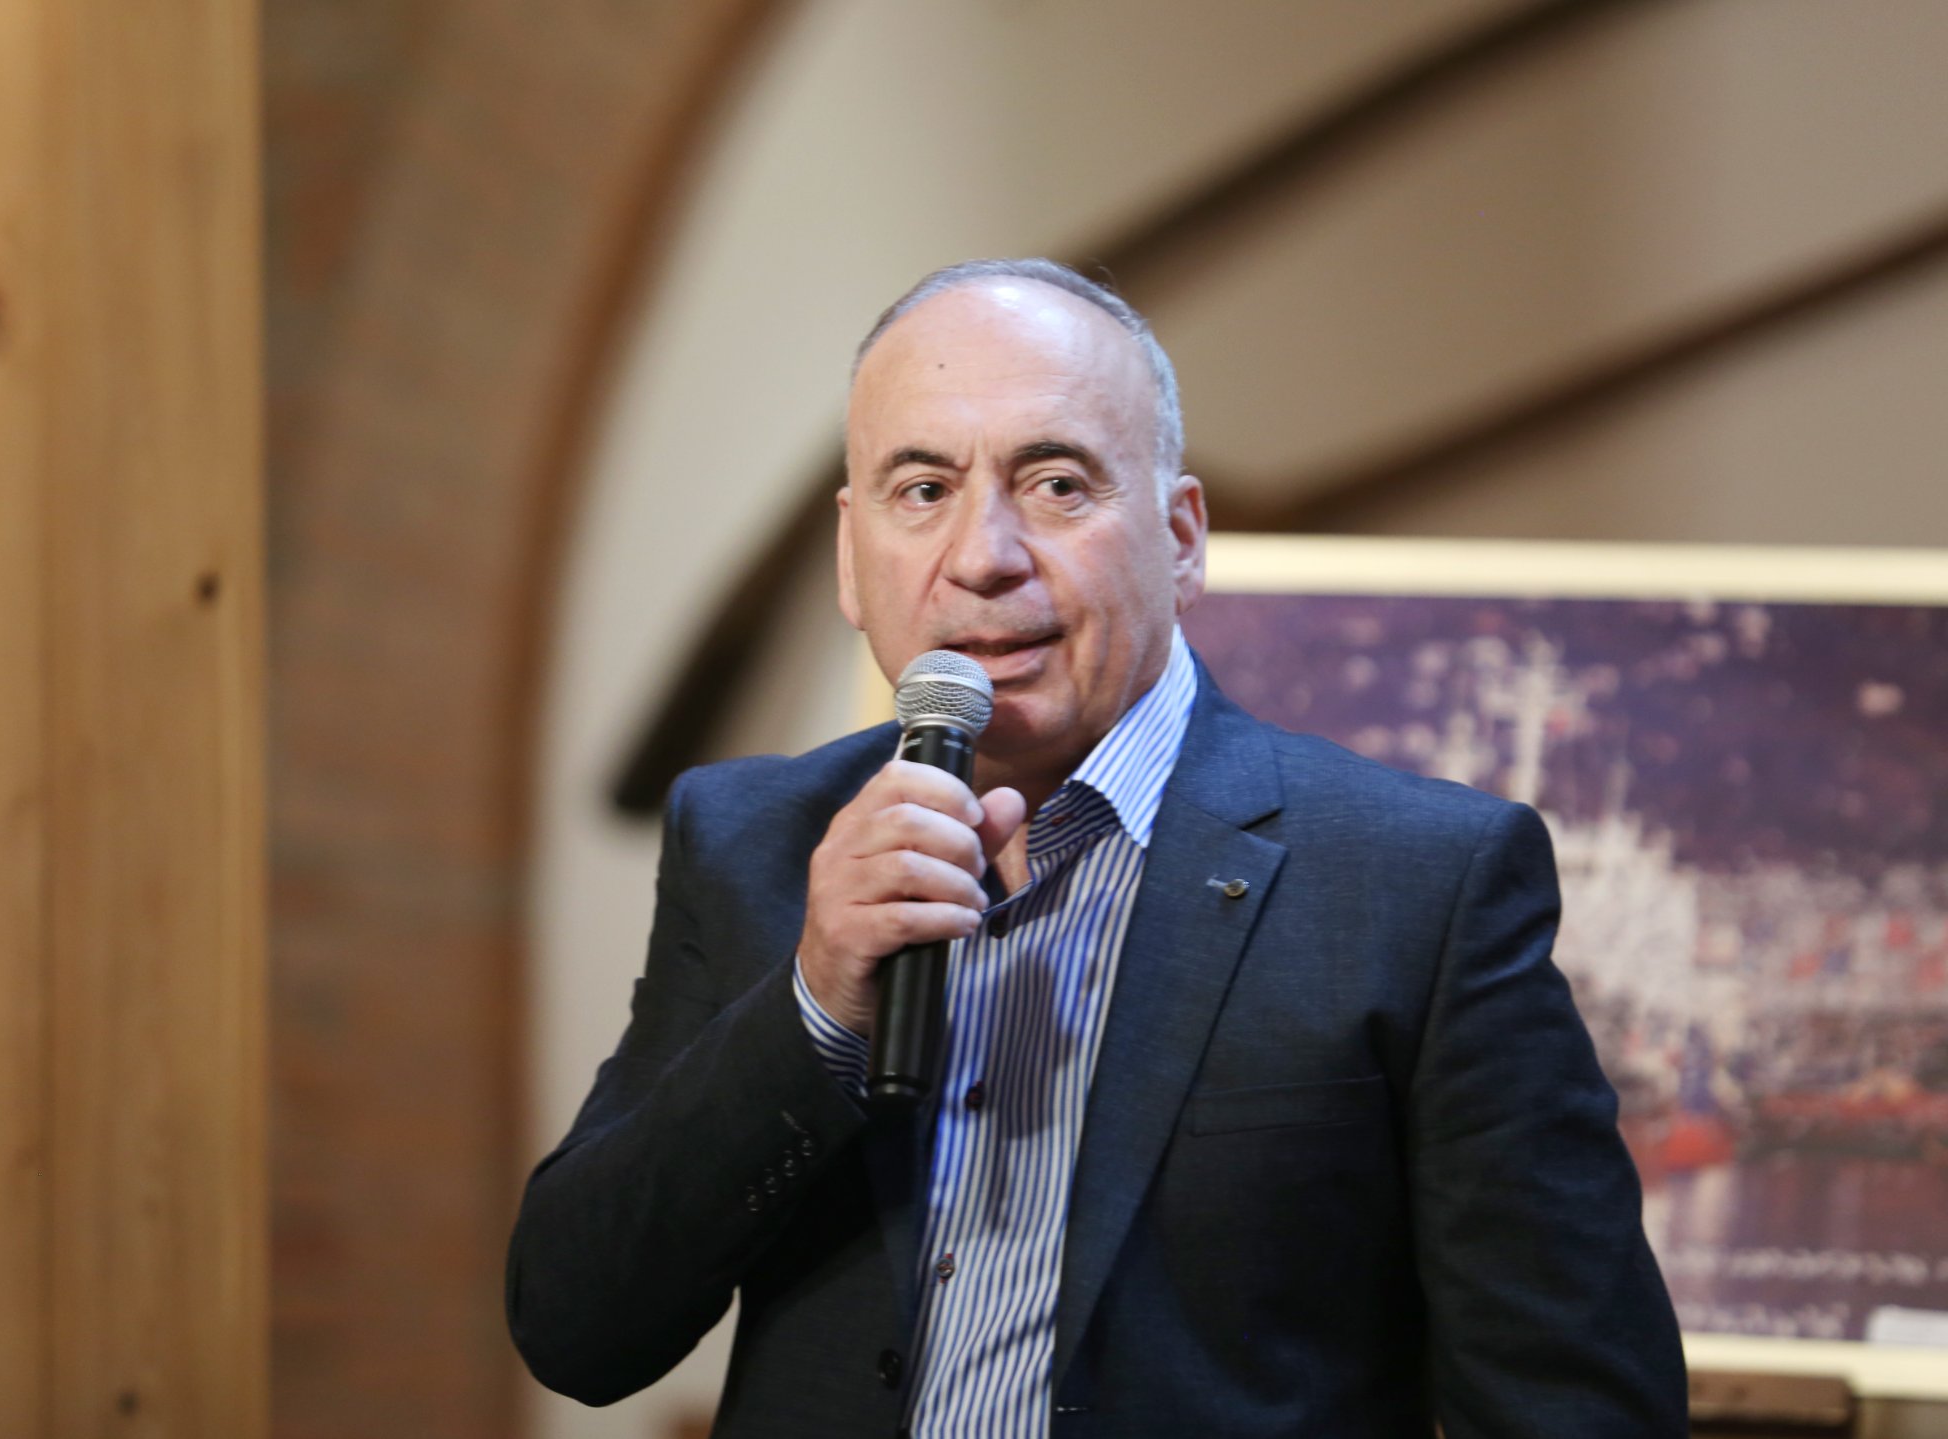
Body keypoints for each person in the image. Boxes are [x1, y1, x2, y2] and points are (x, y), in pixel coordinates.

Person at [507, 259, 1687, 1436]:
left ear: (1180, 537)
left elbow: (1569, 1403)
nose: (982, 554)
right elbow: (577, 1327)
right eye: (921, 489)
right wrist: (811, 1006)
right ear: (849, 556)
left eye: (1057, 483)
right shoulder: (751, 840)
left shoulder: (1417, 880)